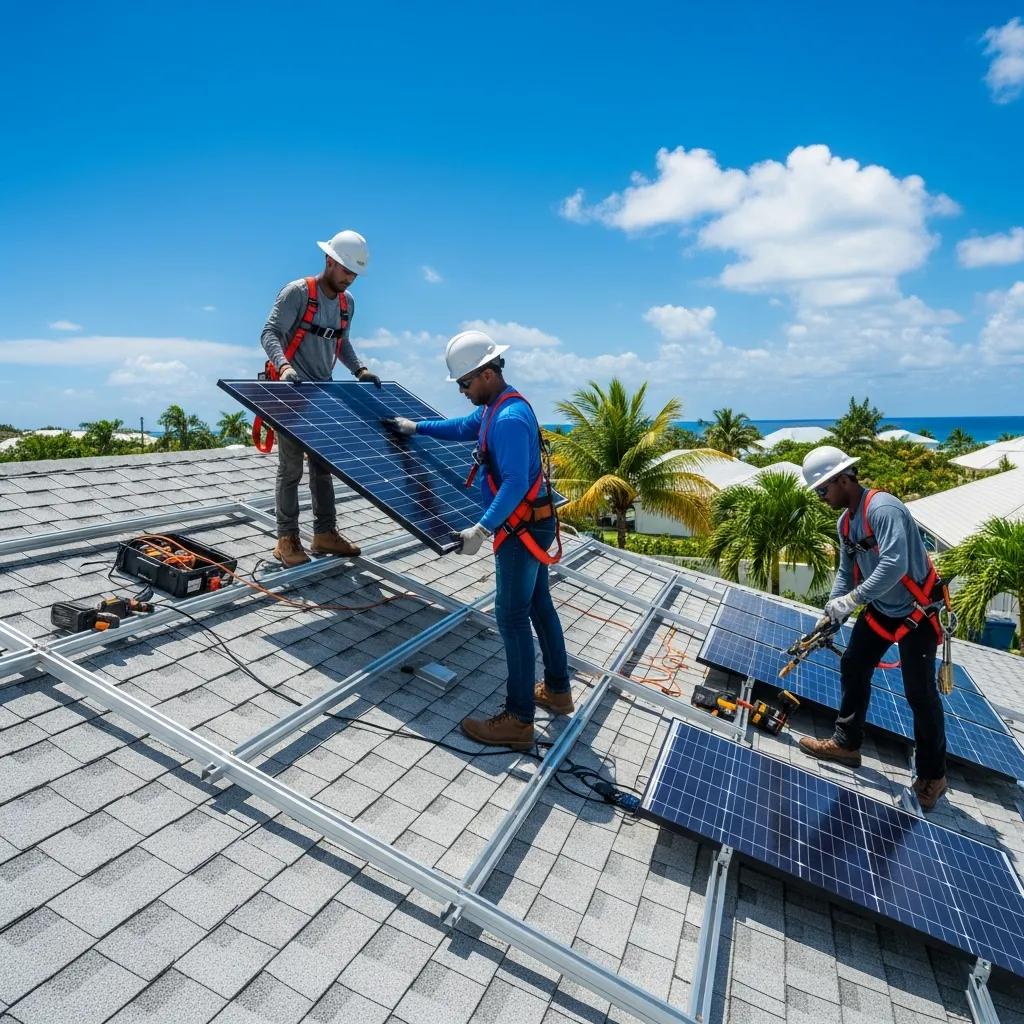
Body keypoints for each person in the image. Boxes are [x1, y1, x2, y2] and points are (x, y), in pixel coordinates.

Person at [385, 330, 572, 749]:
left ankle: (519, 720)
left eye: (465, 383)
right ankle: (558, 691)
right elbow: (462, 427)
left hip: (518, 529)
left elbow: (514, 482)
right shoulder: (497, 406)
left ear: (487, 373)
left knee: (511, 617)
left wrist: (482, 528)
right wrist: (416, 427)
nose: (462, 391)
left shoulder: (506, 419)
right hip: (529, 524)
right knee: (539, 605)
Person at [798, 445, 948, 810]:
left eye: (823, 489)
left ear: (843, 479)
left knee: (919, 693)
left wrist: (852, 601)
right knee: (854, 664)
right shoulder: (845, 523)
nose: (822, 497)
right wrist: (834, 613)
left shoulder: (883, 509)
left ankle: (934, 776)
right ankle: (847, 744)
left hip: (918, 613)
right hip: (883, 609)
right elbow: (846, 574)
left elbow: (894, 565)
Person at [260, 230, 381, 567]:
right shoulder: (297, 293)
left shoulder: (347, 303)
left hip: (321, 393)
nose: (350, 279)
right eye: (346, 270)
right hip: (291, 391)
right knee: (291, 469)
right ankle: (287, 539)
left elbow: (340, 342)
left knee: (323, 467)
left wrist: (360, 369)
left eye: (355, 273)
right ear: (329, 260)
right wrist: (283, 367)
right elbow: (269, 333)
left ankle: (325, 534)